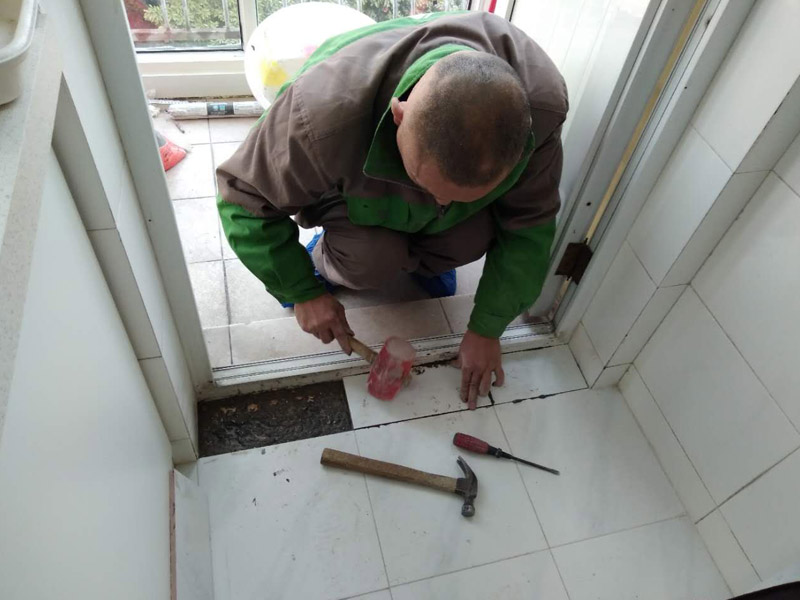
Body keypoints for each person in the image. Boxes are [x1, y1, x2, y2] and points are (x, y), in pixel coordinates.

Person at [216, 11, 568, 408]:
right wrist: (300, 290)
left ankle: (422, 251)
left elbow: (529, 226)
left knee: (468, 237)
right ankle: (327, 255)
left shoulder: (539, 114)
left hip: (420, 172)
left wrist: (488, 328)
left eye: (457, 198)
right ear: (399, 115)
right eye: (425, 183)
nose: (441, 205)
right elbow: (242, 198)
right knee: (370, 260)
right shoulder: (319, 117)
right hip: (353, 189)